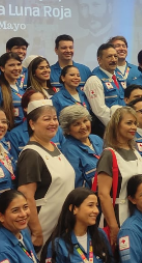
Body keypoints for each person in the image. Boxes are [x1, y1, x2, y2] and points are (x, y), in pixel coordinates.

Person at [17, 100, 76, 248]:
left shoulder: (54, 147)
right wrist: (36, 232)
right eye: (46, 119)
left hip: (62, 226)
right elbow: (26, 196)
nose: (53, 123)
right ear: (32, 124)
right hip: (44, 226)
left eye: (55, 118)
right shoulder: (31, 154)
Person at [96, 107, 142, 245]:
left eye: (135, 124)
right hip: (120, 216)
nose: (133, 127)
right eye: (129, 123)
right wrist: (113, 226)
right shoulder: (109, 154)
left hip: (141, 215)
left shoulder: (136, 151)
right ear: (116, 125)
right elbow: (103, 194)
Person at [6, 90, 64, 163]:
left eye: (43, 102)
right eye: (36, 103)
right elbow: (14, 165)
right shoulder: (15, 135)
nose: (41, 106)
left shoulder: (57, 130)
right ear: (25, 108)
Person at [60, 105, 104, 189]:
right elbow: (78, 185)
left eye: (85, 120)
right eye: (77, 124)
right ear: (68, 130)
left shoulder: (97, 139)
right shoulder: (69, 150)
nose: (83, 126)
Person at [85, 43, 125, 136]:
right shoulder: (94, 81)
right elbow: (100, 111)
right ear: (99, 60)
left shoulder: (119, 78)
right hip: (106, 130)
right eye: (109, 57)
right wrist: (118, 127)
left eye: (115, 56)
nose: (114, 60)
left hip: (121, 126)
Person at [0, 52, 26, 128]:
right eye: (11, 65)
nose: (16, 68)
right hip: (7, 133)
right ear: (2, 68)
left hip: (23, 132)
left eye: (18, 64)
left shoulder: (21, 90)